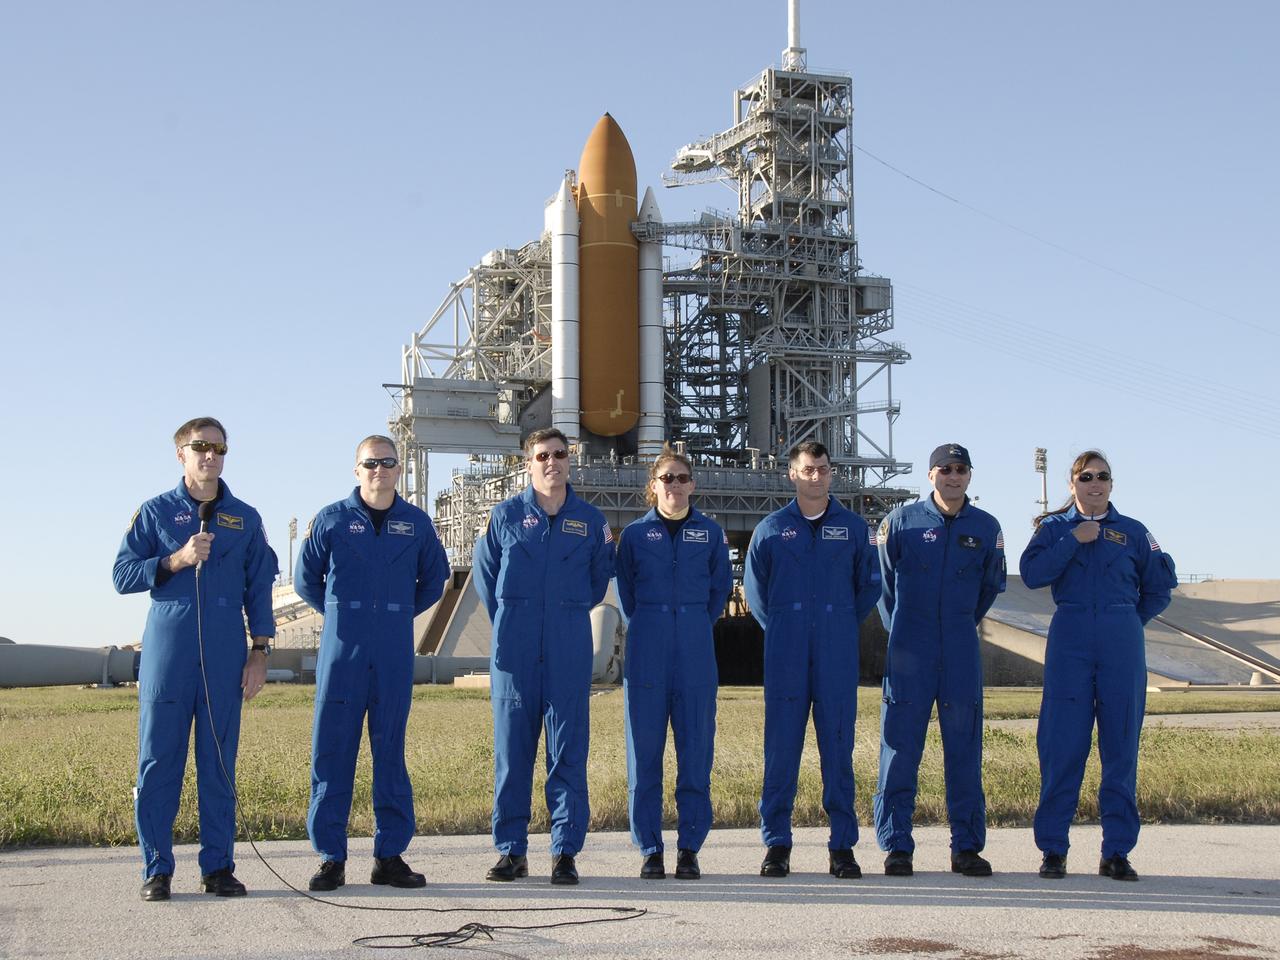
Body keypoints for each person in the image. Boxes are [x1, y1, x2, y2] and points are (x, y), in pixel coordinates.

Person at [113, 416, 277, 902]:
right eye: (200, 447)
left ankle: (218, 867)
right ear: (181, 454)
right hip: (169, 646)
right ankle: (157, 868)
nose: (211, 456)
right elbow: (122, 574)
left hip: (226, 649)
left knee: (219, 762)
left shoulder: (244, 518)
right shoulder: (155, 511)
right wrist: (174, 561)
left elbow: (260, 587)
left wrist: (260, 651)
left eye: (219, 449)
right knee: (158, 760)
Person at [294, 435, 449, 891]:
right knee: (332, 752)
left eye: (387, 463)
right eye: (370, 463)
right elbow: (306, 581)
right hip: (344, 652)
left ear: (399, 469)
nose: (379, 470)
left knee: (390, 754)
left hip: (393, 651)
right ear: (356, 470)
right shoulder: (331, 520)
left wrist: (394, 611)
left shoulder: (416, 524)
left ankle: (390, 856)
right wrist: (347, 612)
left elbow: (434, 580)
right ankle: (330, 857)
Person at [1020, 451, 1177, 882]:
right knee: (1061, 746)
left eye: (1102, 476)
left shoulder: (1134, 532)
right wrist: (1075, 538)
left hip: (1121, 638)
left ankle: (1116, 851)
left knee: (1121, 747)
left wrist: (1125, 620)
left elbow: (1161, 587)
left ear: (1111, 484)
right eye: (1086, 476)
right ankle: (1053, 849)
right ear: (1072, 484)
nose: (1095, 483)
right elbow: (1031, 574)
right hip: (1070, 636)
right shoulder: (1054, 529)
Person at [471, 428, 615, 885]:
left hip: (568, 651)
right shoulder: (506, 516)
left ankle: (564, 851)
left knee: (568, 754)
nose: (552, 462)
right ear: (527, 463)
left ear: (569, 460)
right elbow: (486, 580)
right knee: (513, 756)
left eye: (559, 454)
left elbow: (597, 583)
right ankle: (511, 850)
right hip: (514, 655)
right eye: (542, 455)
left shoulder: (590, 521)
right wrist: (515, 621)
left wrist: (562, 615)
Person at [743, 440, 880, 879]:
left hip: (836, 652)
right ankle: (777, 845)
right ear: (792, 474)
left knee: (838, 749)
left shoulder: (855, 529)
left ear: (831, 473)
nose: (815, 476)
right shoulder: (770, 529)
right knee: (781, 751)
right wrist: (785, 626)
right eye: (807, 469)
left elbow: (869, 588)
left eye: (822, 468)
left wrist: (837, 621)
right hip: (786, 652)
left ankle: (842, 848)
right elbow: (755, 593)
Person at [872, 443, 1006, 878]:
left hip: (960, 647)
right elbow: (885, 586)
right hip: (910, 647)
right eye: (944, 469)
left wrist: (958, 623)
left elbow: (988, 589)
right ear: (931, 475)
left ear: (970, 475)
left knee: (964, 748)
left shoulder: (987, 527)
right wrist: (906, 630)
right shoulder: (900, 523)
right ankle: (897, 846)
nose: (953, 476)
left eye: (961, 469)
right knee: (899, 747)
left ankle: (966, 847)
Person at [615, 448, 732, 881]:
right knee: (644, 757)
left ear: (693, 485)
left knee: (696, 755)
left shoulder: (711, 534)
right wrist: (650, 623)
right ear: (654, 486)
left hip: (696, 655)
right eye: (668, 478)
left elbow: (720, 590)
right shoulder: (633, 537)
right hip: (647, 653)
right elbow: (626, 592)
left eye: (683, 478)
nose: (676, 485)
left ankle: (688, 849)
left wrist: (694, 623)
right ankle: (649, 848)